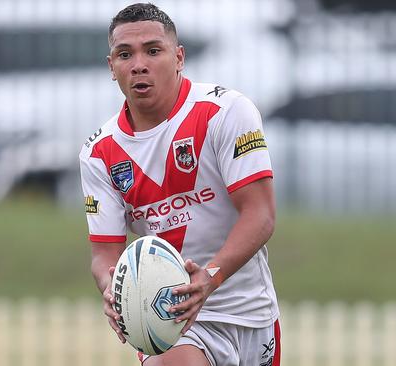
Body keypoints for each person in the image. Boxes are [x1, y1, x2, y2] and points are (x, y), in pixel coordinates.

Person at [79, 3, 280, 365]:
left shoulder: (226, 112)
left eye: (153, 51)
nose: (139, 64)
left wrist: (210, 278)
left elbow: (260, 214)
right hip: (167, 318)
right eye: (125, 54)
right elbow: (104, 254)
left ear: (179, 57)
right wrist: (111, 289)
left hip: (249, 315)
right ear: (112, 67)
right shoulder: (98, 153)